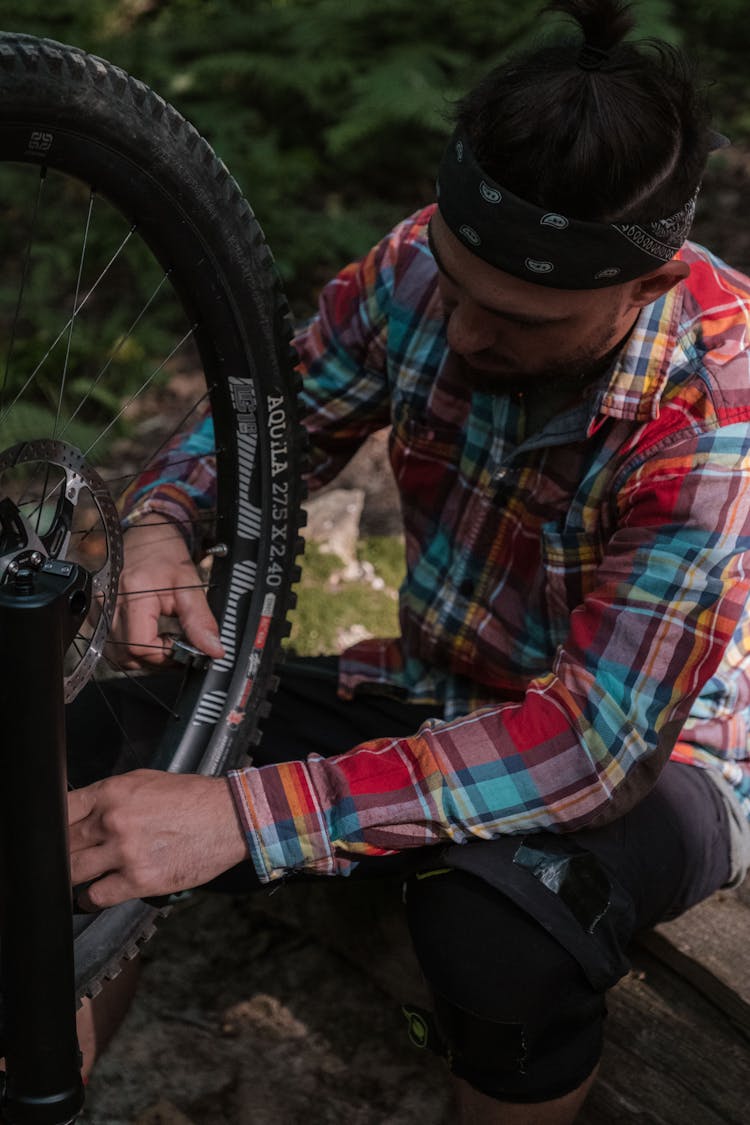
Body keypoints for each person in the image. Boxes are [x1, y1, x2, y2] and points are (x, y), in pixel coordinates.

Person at [67, 1, 750, 1120]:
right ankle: (51, 1077)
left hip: (660, 758)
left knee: (498, 932)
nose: (471, 332)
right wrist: (163, 522)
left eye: (527, 320)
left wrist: (247, 813)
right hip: (432, 689)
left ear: (648, 288)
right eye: (459, 283)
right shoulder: (421, 268)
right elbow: (267, 432)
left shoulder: (719, 414)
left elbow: (593, 744)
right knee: (89, 741)